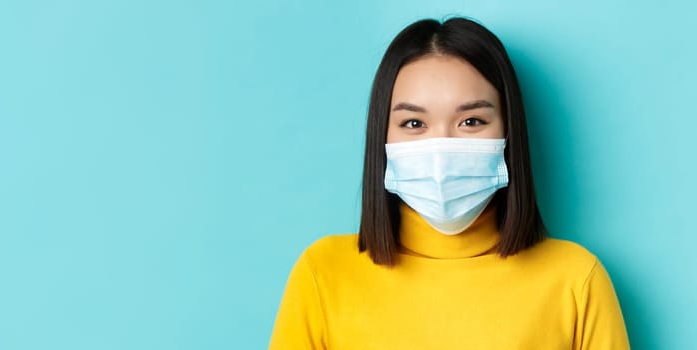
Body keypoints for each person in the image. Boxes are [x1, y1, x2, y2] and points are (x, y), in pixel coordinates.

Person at [268, 17, 630, 349]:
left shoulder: (576, 281)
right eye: (414, 124)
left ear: (508, 132)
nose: (441, 146)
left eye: (471, 121)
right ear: (382, 137)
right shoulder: (323, 274)